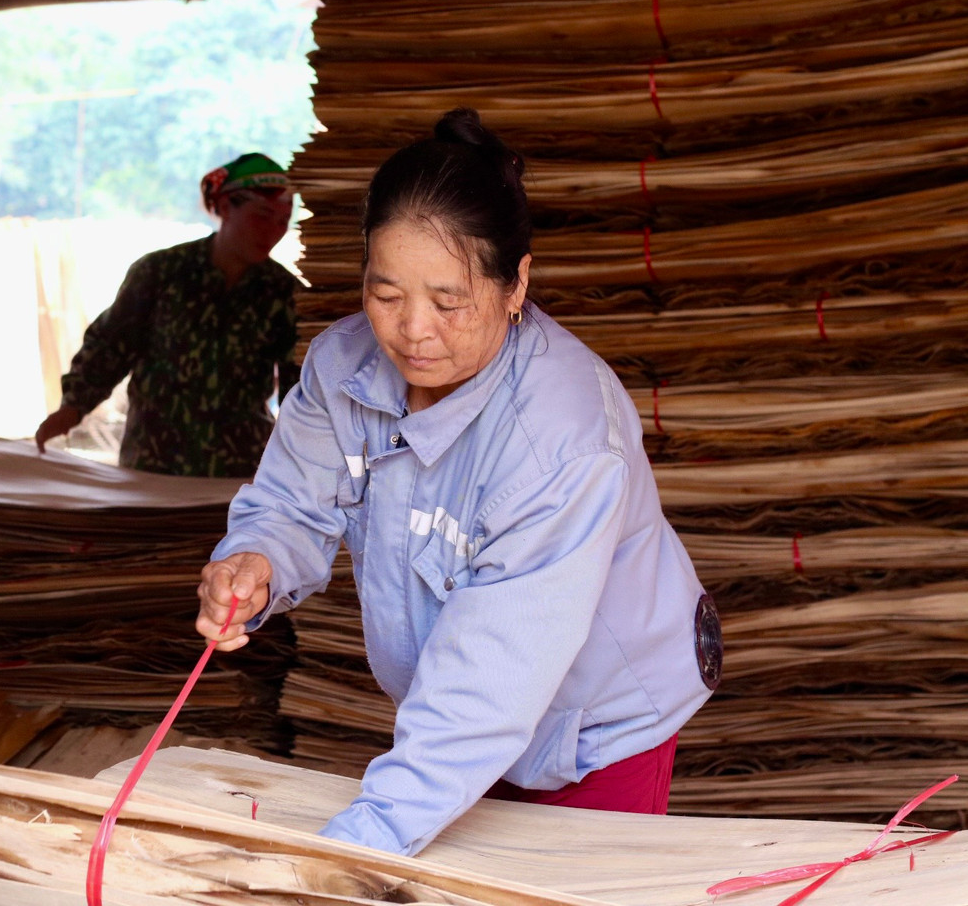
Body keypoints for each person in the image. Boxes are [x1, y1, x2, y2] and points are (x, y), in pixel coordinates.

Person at [194, 108, 720, 857]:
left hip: (593, 730)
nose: (413, 330)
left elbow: (486, 687)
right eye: (385, 294)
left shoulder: (562, 439)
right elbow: (290, 503)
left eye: (449, 302)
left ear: (517, 285)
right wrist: (257, 558)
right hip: (456, 721)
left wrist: (349, 852)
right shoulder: (342, 367)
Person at [34, 153, 301, 476]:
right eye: (263, 216)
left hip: (240, 471)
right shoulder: (160, 273)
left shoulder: (285, 292)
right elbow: (111, 345)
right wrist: (72, 408)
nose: (274, 231)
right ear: (227, 207)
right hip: (153, 463)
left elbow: (299, 387)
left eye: (283, 220)